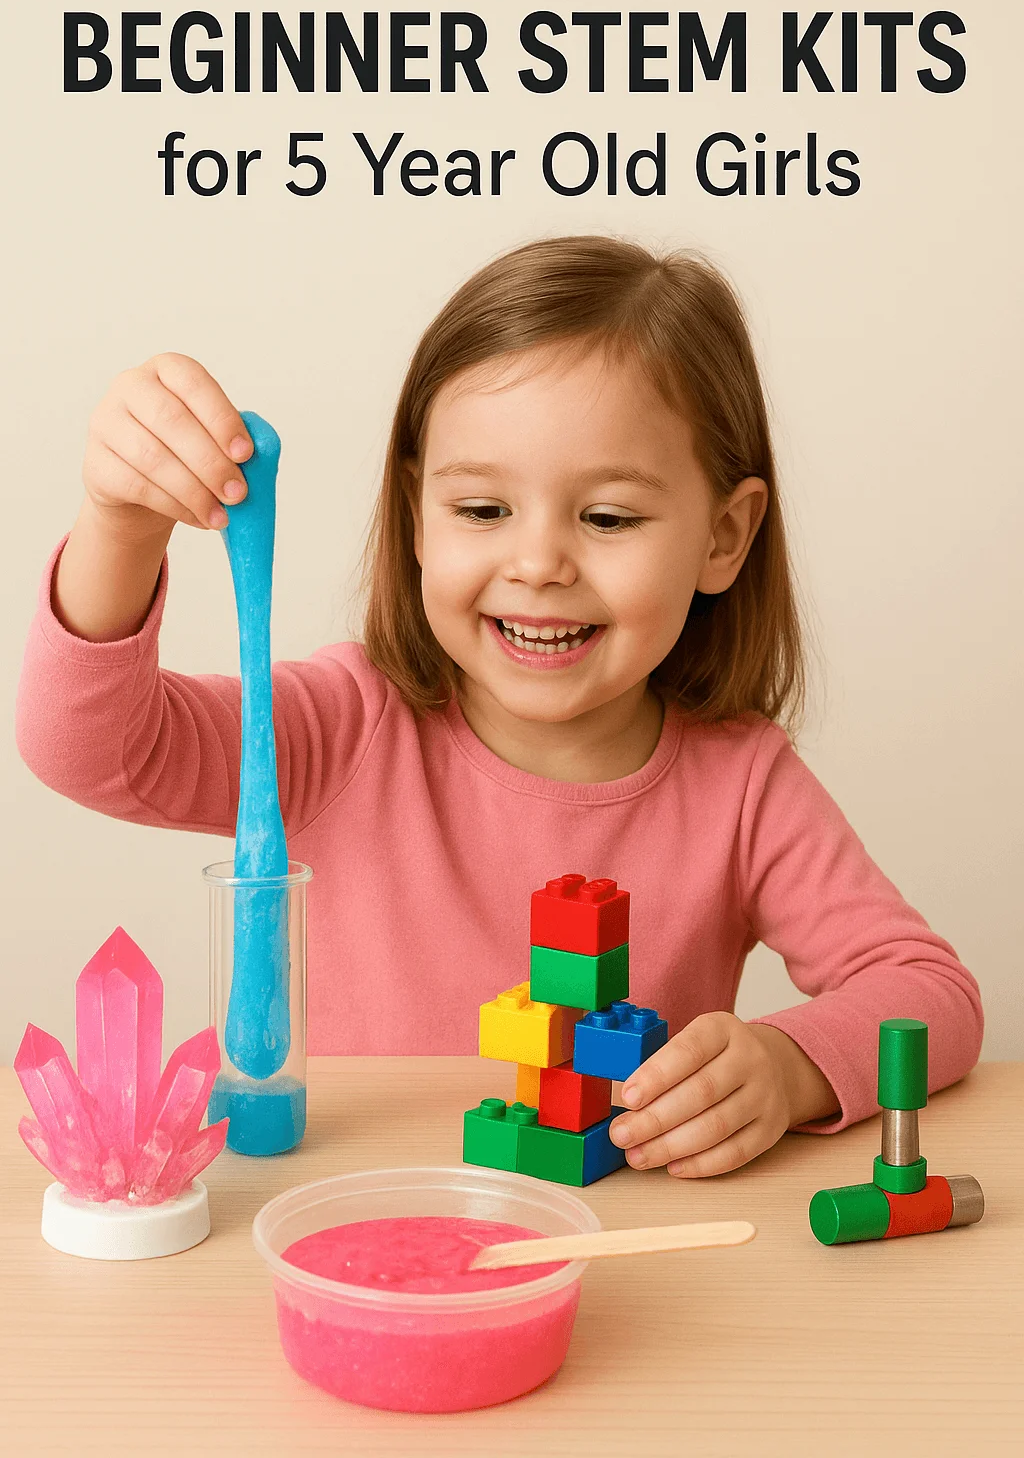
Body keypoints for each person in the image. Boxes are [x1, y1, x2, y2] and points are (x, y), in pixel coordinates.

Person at [16, 235, 982, 1179]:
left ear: (723, 538)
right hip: (350, 1232)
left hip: (619, 1267)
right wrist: (121, 525)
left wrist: (789, 1065)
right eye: (481, 511)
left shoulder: (743, 785)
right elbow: (88, 745)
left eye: (608, 518)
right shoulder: (339, 728)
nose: (538, 564)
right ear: (417, 519)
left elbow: (930, 994)